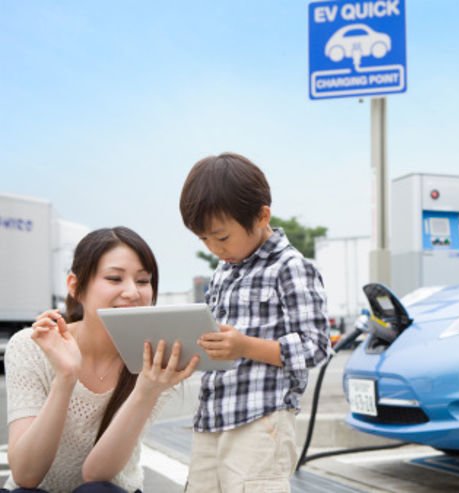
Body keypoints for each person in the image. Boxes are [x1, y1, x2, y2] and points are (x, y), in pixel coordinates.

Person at [3, 227, 199, 493]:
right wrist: (66, 378)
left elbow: (96, 475)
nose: (131, 292)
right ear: (75, 286)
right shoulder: (30, 346)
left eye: (143, 281)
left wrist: (145, 390)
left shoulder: (155, 361)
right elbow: (26, 475)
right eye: (114, 278)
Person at [179, 152, 330, 492]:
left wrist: (244, 346)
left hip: (261, 418)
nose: (215, 248)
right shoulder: (223, 272)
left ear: (262, 216)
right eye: (203, 240)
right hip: (211, 417)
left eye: (221, 237)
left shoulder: (291, 267)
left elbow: (317, 346)